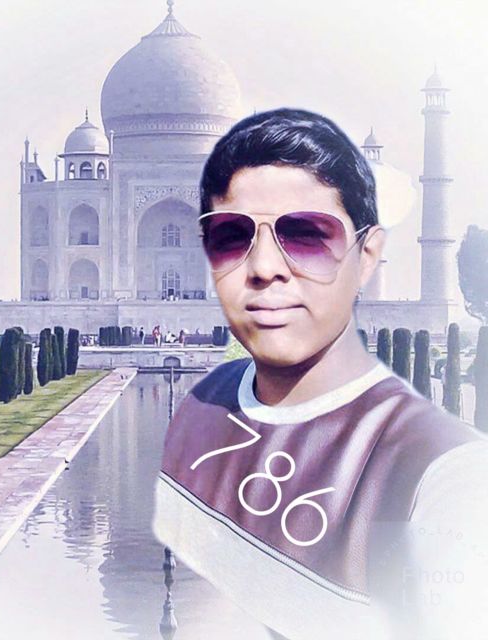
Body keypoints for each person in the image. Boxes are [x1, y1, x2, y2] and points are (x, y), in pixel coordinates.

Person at [151, 108, 488, 640]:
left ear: (366, 255)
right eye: (233, 236)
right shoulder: (207, 413)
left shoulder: (442, 470)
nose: (265, 267)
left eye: (305, 235)